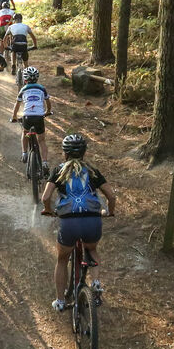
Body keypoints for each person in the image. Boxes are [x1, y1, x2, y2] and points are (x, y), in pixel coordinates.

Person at [40, 134, 118, 312]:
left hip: (69, 223)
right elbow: (111, 196)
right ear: (84, 153)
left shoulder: (58, 171)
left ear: (64, 153)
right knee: (91, 249)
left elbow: (45, 197)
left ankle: (60, 301)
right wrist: (110, 212)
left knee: (62, 259)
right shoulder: (92, 171)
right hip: (92, 220)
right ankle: (96, 282)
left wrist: (49, 210)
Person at [9, 66, 50, 171]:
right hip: (39, 117)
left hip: (27, 117)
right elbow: (48, 102)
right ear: (37, 78)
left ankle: (24, 153)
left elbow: (17, 105)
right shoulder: (42, 88)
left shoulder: (23, 89)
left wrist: (14, 116)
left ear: (25, 79)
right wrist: (48, 111)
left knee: (25, 133)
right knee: (41, 140)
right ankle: (45, 162)